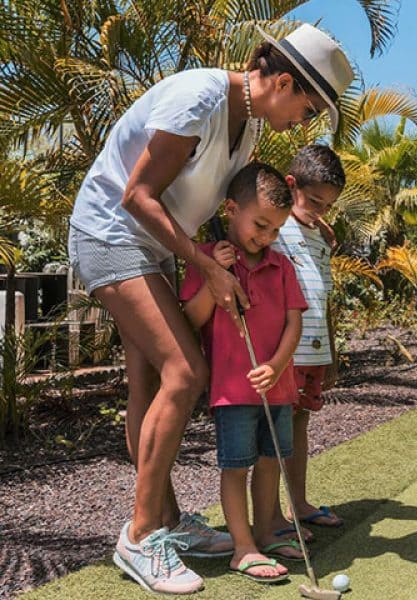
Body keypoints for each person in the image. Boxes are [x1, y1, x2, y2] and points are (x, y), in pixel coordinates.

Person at [67, 23, 354, 594]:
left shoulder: (248, 126)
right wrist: (205, 263)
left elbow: (239, 207)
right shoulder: (199, 98)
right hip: (110, 235)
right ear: (282, 82)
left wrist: (300, 225)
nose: (304, 123)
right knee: (186, 370)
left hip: (156, 247)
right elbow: (136, 196)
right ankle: (140, 536)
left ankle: (168, 522)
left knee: (150, 383)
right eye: (308, 108)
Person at [180, 162, 307, 583]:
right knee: (236, 467)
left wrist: (276, 366)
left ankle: (266, 530)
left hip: (278, 386)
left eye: (276, 230)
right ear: (231, 209)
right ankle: (242, 547)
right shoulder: (204, 258)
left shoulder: (281, 266)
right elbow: (192, 318)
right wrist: (213, 275)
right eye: (260, 225)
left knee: (271, 462)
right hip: (233, 391)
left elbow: (294, 323)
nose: (267, 237)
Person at [271, 145, 346, 540]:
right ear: (291, 185)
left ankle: (297, 503)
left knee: (299, 425)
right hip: (281, 352)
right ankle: (270, 515)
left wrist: (330, 355)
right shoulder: (274, 227)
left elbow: (324, 296)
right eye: (314, 201)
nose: (319, 211)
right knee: (273, 432)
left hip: (313, 350)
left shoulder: (320, 238)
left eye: (328, 206)